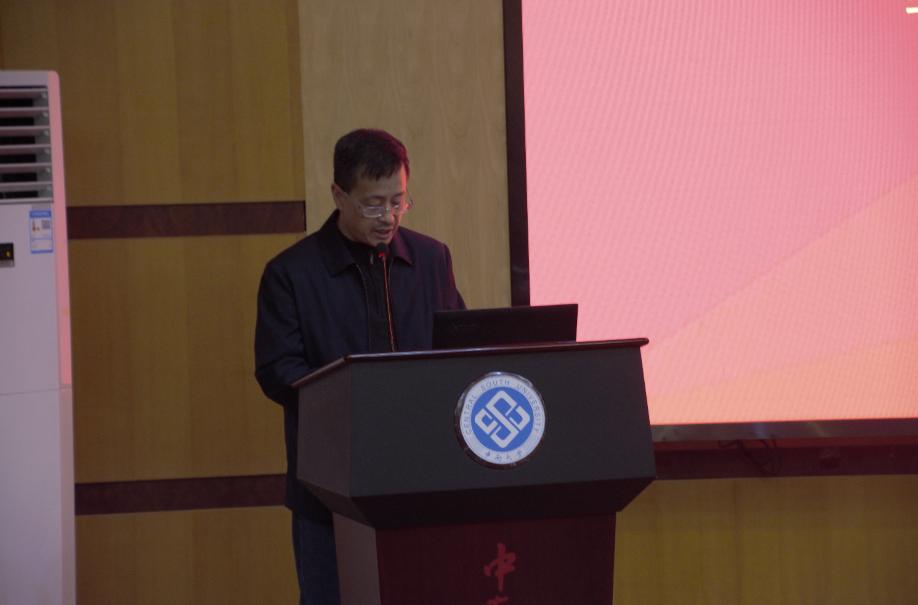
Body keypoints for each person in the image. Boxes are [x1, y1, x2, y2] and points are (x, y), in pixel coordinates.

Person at [254, 128, 465, 604]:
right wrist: (358, 397)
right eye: (373, 204)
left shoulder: (432, 259)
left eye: (398, 201)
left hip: (424, 481)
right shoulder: (292, 274)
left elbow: (455, 345)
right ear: (338, 195)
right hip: (331, 490)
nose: (388, 217)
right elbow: (276, 370)